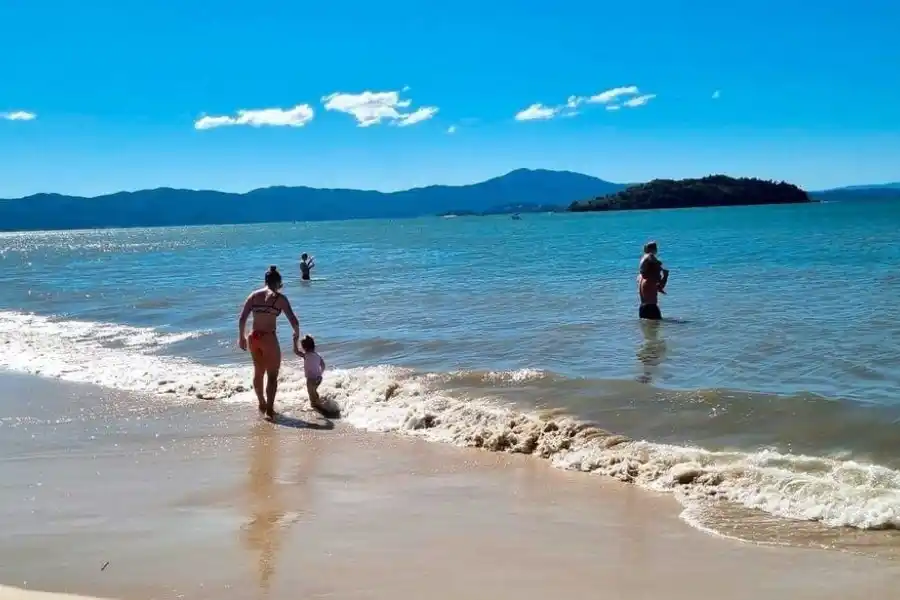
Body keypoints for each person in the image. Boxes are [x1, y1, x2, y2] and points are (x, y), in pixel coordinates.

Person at [238, 265, 301, 419]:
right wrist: (296, 335)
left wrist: (241, 337)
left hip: (253, 338)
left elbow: (242, 318)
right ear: (278, 282)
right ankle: (269, 411)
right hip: (268, 338)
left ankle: (261, 403)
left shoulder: (253, 296)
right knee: (272, 375)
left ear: (265, 280)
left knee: (258, 372)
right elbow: (293, 320)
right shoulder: (279, 298)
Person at [294, 334, 327, 413]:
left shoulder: (306, 355)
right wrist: (320, 373)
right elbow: (323, 365)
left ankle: (315, 406)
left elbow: (296, 351)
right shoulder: (318, 355)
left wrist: (294, 341)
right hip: (319, 378)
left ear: (304, 347)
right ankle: (318, 402)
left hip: (311, 379)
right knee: (314, 391)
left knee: (311, 392)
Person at [637, 241, 669, 320]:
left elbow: (658, 287)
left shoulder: (640, 277)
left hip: (642, 308)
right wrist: (665, 275)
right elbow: (649, 256)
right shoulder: (650, 278)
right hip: (651, 308)